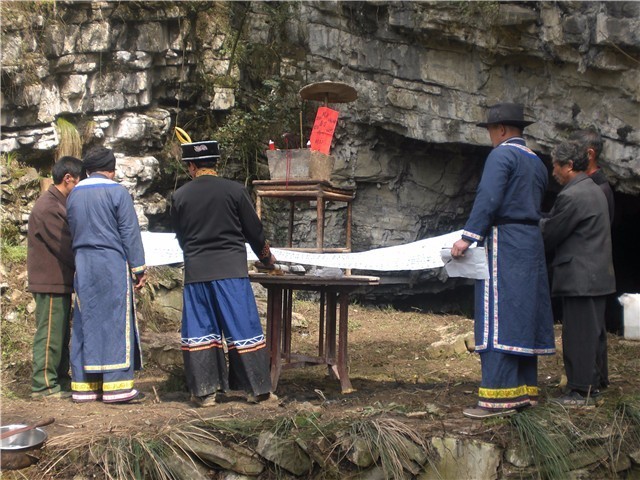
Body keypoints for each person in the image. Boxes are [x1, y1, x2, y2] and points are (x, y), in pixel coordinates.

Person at [450, 103, 556, 419]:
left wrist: (468, 237)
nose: (490, 137)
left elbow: (489, 198)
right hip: (530, 242)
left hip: (505, 241)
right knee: (523, 313)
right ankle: (524, 391)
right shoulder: (536, 161)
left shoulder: (501, 155)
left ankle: (497, 397)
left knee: (497, 314)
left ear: (501, 130)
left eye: (490, 131)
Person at [170, 140, 277, 407]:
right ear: (216, 163)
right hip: (231, 272)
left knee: (201, 330)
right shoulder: (235, 191)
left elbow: (181, 237)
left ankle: (205, 393)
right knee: (242, 326)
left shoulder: (180, 196)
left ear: (191, 166)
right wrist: (267, 259)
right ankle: (258, 391)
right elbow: (255, 232)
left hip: (197, 273)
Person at [66, 147, 147, 404]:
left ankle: (84, 387)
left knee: (85, 321)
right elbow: (129, 232)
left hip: (83, 263)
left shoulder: (73, 194)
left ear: (88, 170)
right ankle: (117, 387)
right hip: (111, 263)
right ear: (111, 170)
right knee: (115, 321)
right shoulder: (117, 192)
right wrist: (138, 269)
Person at [540, 141, 615, 406]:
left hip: (580, 276)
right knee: (594, 332)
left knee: (578, 335)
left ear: (569, 165)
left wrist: (531, 223)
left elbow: (551, 233)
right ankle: (596, 382)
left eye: (556, 166)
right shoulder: (595, 188)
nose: (553, 173)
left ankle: (581, 391)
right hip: (597, 274)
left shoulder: (572, 195)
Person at [27, 156, 84, 399]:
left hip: (58, 281)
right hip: (49, 281)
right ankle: (43, 385)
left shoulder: (57, 203)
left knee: (60, 334)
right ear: (67, 178)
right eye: (79, 181)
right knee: (49, 333)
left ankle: (60, 379)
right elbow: (66, 247)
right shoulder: (49, 207)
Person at [568, 128, 614, 225]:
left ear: (590, 154)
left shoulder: (599, 190)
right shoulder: (582, 181)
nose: (569, 157)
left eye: (574, 151)